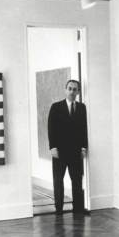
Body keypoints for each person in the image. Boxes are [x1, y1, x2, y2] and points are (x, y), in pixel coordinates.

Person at [47, 79, 88, 215]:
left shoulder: (82, 108)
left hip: (76, 152)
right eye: (69, 88)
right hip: (59, 151)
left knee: (77, 180)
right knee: (58, 181)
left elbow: (84, 129)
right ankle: (58, 209)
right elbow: (51, 128)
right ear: (65, 90)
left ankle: (78, 208)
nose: (72, 91)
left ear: (78, 92)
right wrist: (52, 147)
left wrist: (83, 148)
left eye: (74, 89)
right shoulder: (56, 107)